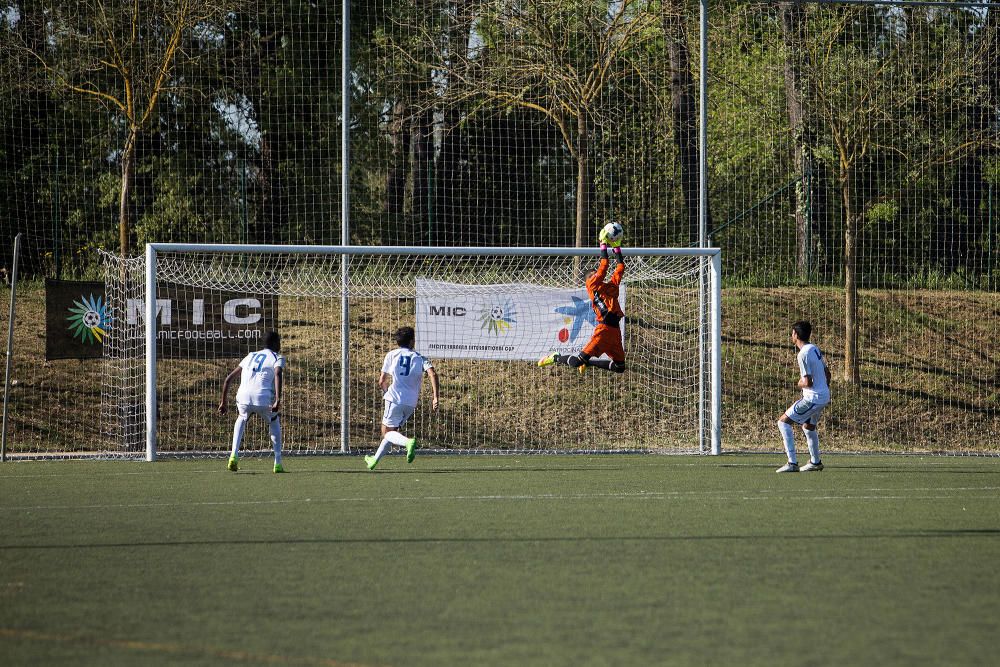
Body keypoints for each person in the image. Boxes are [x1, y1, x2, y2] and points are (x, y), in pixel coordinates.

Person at [537, 230, 626, 374]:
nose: (594, 276)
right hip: (603, 331)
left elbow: (620, 268)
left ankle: (587, 362)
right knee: (577, 361)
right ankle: (556, 357)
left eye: (594, 274)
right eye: (592, 275)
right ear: (588, 280)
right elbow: (604, 265)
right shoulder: (592, 286)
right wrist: (603, 244)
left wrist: (617, 248)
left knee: (620, 367)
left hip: (615, 332)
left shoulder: (611, 287)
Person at [366, 326, 440, 470]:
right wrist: (435, 397)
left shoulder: (391, 354)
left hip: (394, 399)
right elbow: (433, 374)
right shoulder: (419, 357)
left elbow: (382, 380)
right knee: (392, 432)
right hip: (411, 402)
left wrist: (387, 392)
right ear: (412, 341)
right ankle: (374, 460)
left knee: (386, 432)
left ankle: (407, 442)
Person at [219, 331, 286, 473]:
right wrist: (278, 399)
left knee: (241, 419)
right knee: (274, 421)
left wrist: (223, 402)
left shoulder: (250, 355)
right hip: (262, 398)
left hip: (243, 397)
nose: (280, 345)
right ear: (275, 343)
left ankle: (233, 455)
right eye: (279, 342)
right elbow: (278, 373)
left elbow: (228, 379)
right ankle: (278, 463)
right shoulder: (277, 357)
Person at [776, 321, 831, 473]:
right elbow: (828, 374)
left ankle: (792, 463)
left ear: (796, 334)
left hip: (812, 398)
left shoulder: (803, 354)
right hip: (823, 396)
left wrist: (799, 383)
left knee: (783, 422)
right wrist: (823, 390)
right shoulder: (814, 348)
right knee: (808, 427)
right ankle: (815, 462)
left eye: (792, 333)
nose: (791, 335)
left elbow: (807, 381)